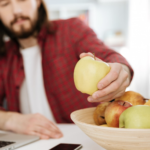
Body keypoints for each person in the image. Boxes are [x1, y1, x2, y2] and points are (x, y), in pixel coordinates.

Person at [0, 0, 133, 140]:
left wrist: (121, 71)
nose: (16, 11)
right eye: (4, 4)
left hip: (83, 141)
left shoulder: (71, 30)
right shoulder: (3, 57)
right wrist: (10, 120)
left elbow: (109, 56)